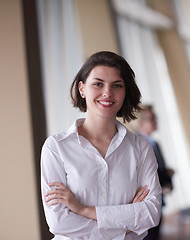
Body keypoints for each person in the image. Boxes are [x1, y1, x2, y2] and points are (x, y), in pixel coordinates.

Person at [40, 51, 162, 240]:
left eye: (117, 85)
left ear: (125, 92)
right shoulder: (56, 147)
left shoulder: (141, 149)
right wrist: (127, 224)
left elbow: (151, 213)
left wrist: (83, 209)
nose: (107, 93)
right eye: (98, 84)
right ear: (82, 88)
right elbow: (59, 223)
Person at [136, 105, 174, 240]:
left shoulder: (154, 143)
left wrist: (167, 177)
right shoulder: (136, 145)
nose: (155, 121)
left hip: (158, 199)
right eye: (151, 118)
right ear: (140, 123)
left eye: (155, 117)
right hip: (146, 203)